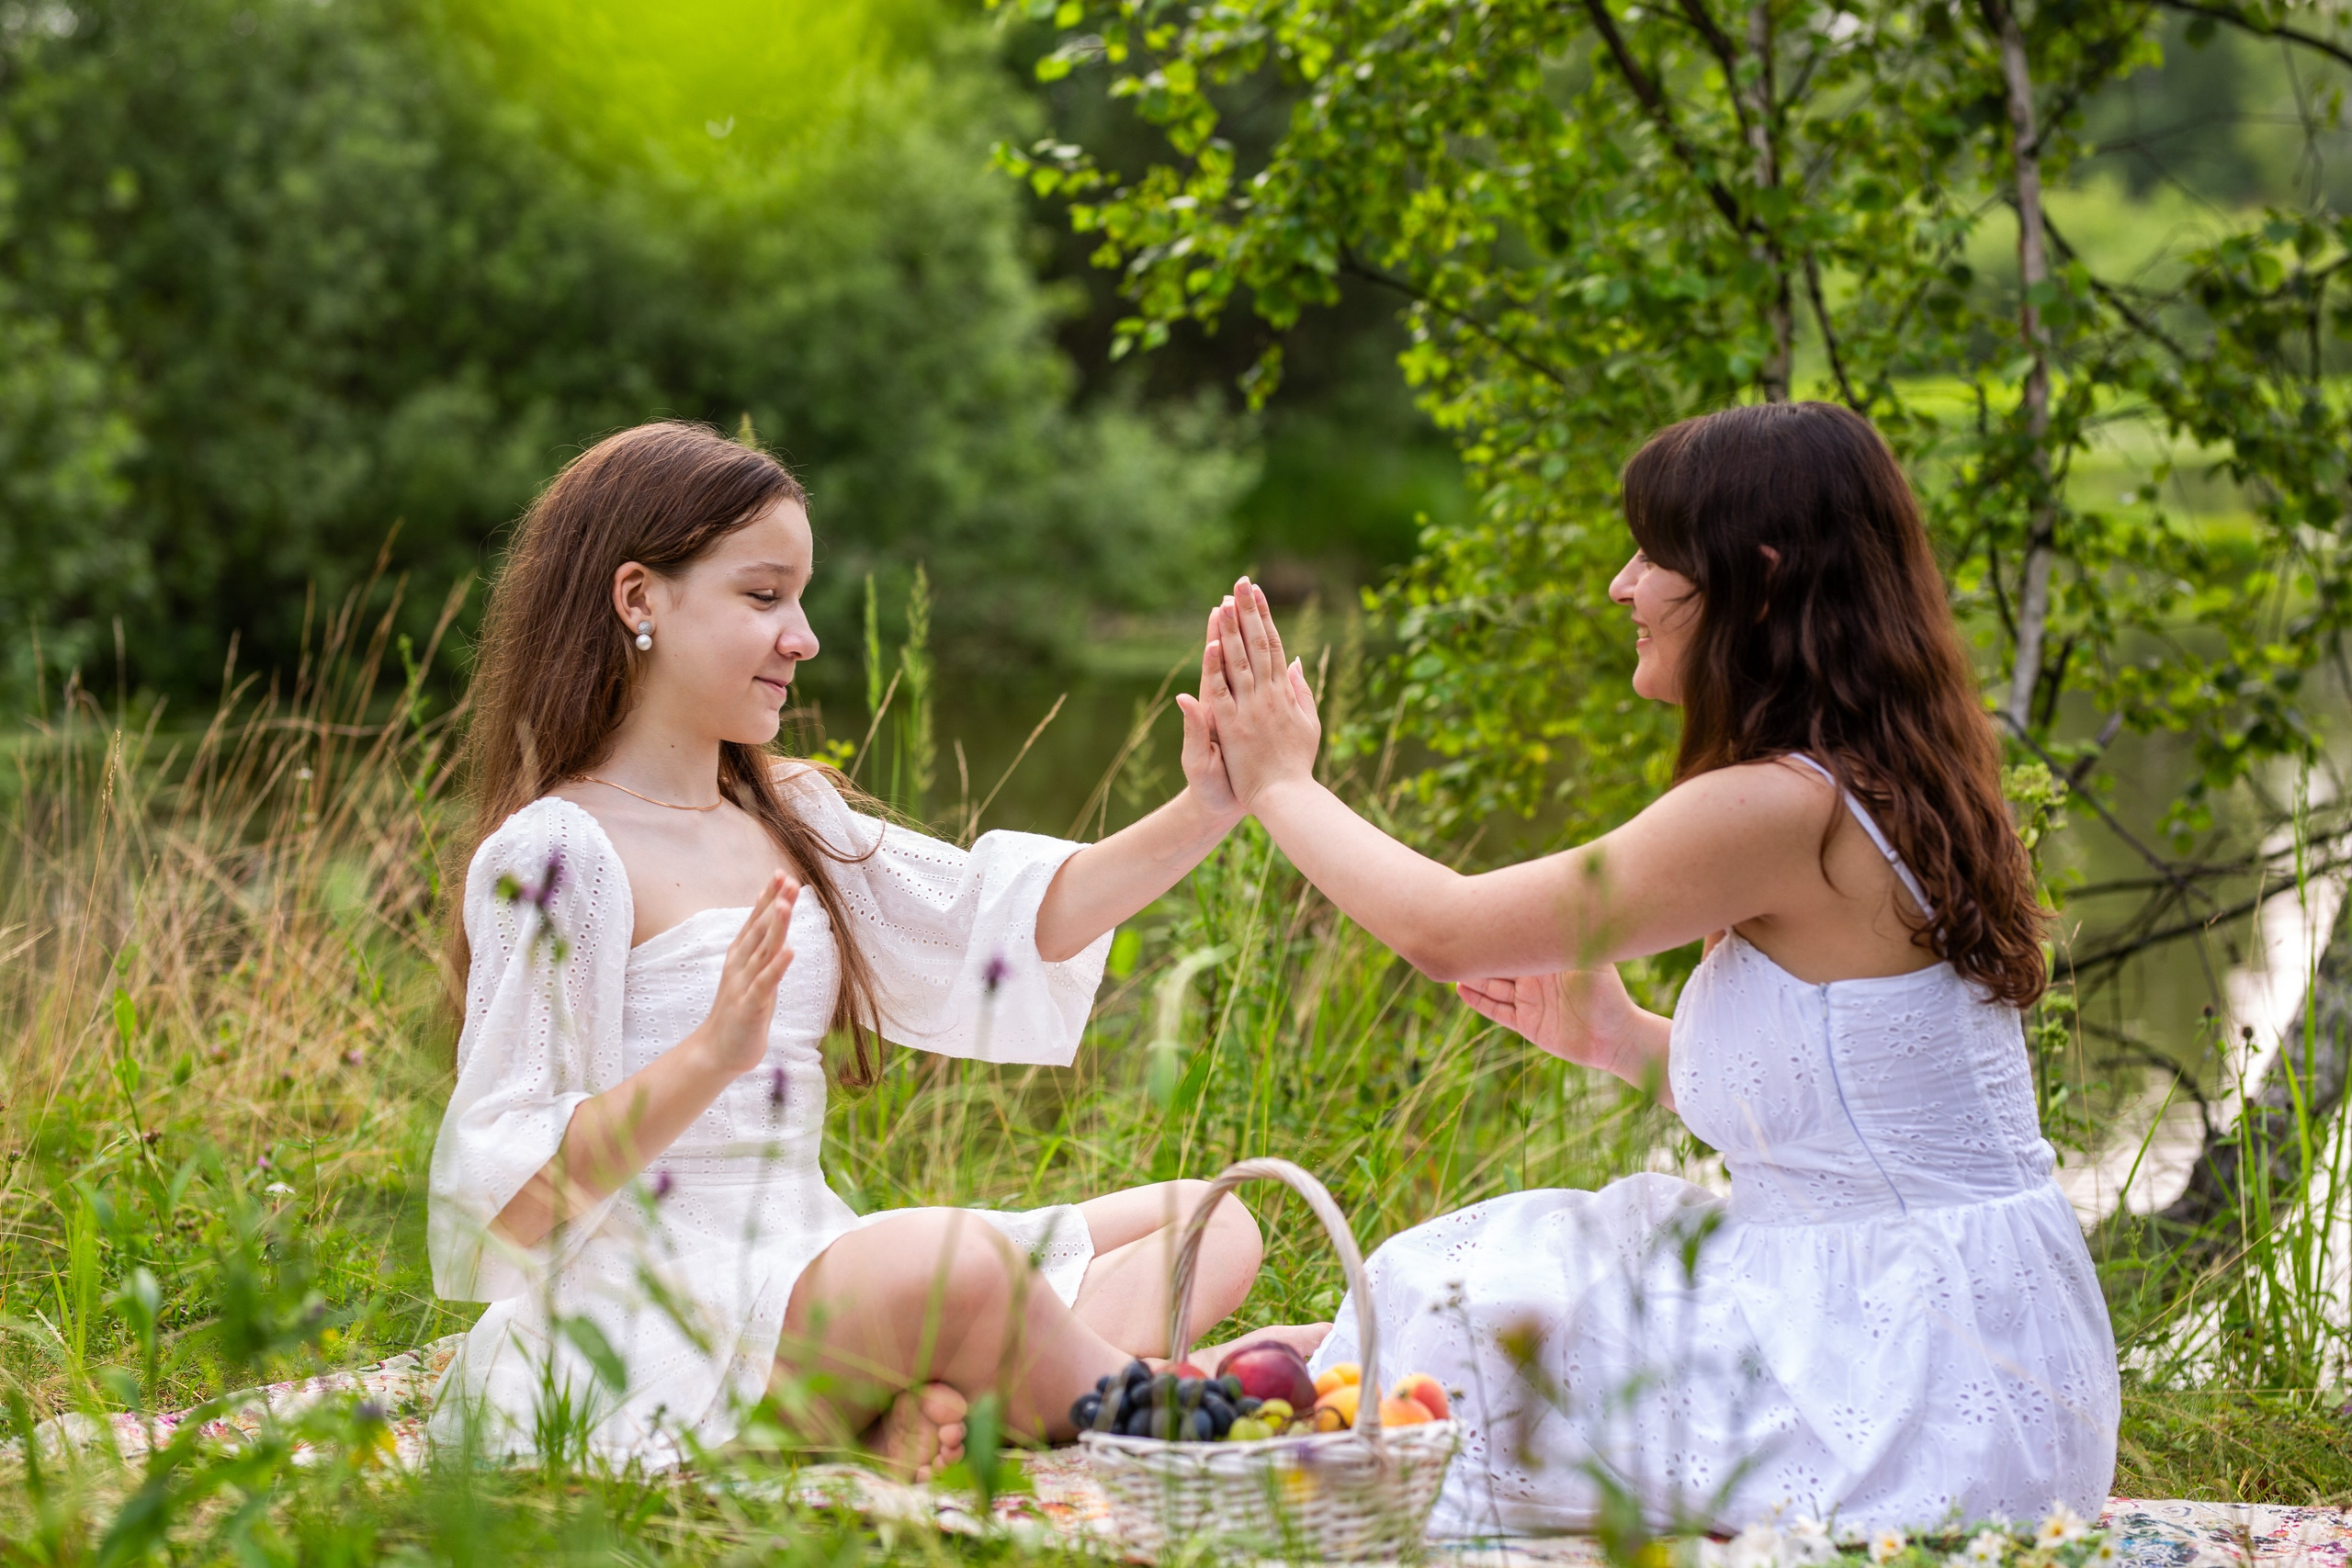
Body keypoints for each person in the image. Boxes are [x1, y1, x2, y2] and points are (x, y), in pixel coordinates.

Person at [1191, 402, 2120, 1533]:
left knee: (1450, 1301)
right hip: (1965, 1341)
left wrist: (1280, 781)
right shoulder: (1895, 777)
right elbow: (1869, 1125)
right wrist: (1617, 1041)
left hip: (1906, 1388)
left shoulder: (1781, 805)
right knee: (1491, 1287)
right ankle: (1311, 1368)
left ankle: (1286, 1389)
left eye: (1654, 557)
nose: (1622, 586)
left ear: (1757, 578)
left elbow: (1444, 927)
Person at [425, 421, 1296, 1474]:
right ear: (638, 599)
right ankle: (1171, 1411)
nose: (804, 637)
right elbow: (508, 1197)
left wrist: (1209, 805)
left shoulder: (787, 809)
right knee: (956, 1265)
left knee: (1211, 1222)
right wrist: (708, 1057)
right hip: (659, 1318)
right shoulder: (561, 853)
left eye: (799, 599)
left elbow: (997, 925)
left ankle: (934, 1405)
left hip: (810, 1268)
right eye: (763, 597)